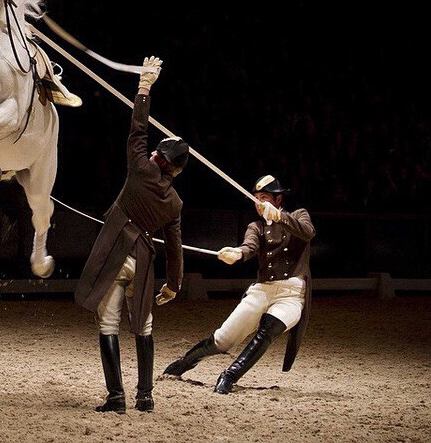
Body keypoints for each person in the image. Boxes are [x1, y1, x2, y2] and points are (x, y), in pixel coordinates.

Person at [75, 56, 189, 414]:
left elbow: (137, 129)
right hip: (143, 260)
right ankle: (145, 396)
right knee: (143, 326)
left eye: (158, 151)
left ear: (160, 160)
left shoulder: (140, 169)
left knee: (108, 323)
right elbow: (174, 247)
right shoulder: (175, 203)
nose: (153, 150)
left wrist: (144, 87)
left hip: (116, 253)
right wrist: (174, 284)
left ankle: (116, 397)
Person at [163, 174, 315, 394]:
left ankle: (229, 376)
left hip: (291, 294)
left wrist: (280, 218)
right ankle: (182, 365)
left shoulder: (298, 215)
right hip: (263, 290)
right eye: (256, 198)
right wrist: (237, 253)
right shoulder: (256, 226)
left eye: (264, 198)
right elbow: (249, 246)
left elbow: (308, 232)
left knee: (268, 330)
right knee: (223, 339)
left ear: (278, 200)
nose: (259, 203)